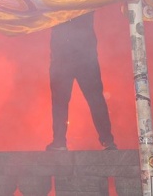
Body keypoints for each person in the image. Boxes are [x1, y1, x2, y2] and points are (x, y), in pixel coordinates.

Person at [46, 12, 117, 151]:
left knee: (93, 99)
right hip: (69, 55)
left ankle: (107, 140)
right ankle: (60, 141)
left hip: (79, 55)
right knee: (65, 101)